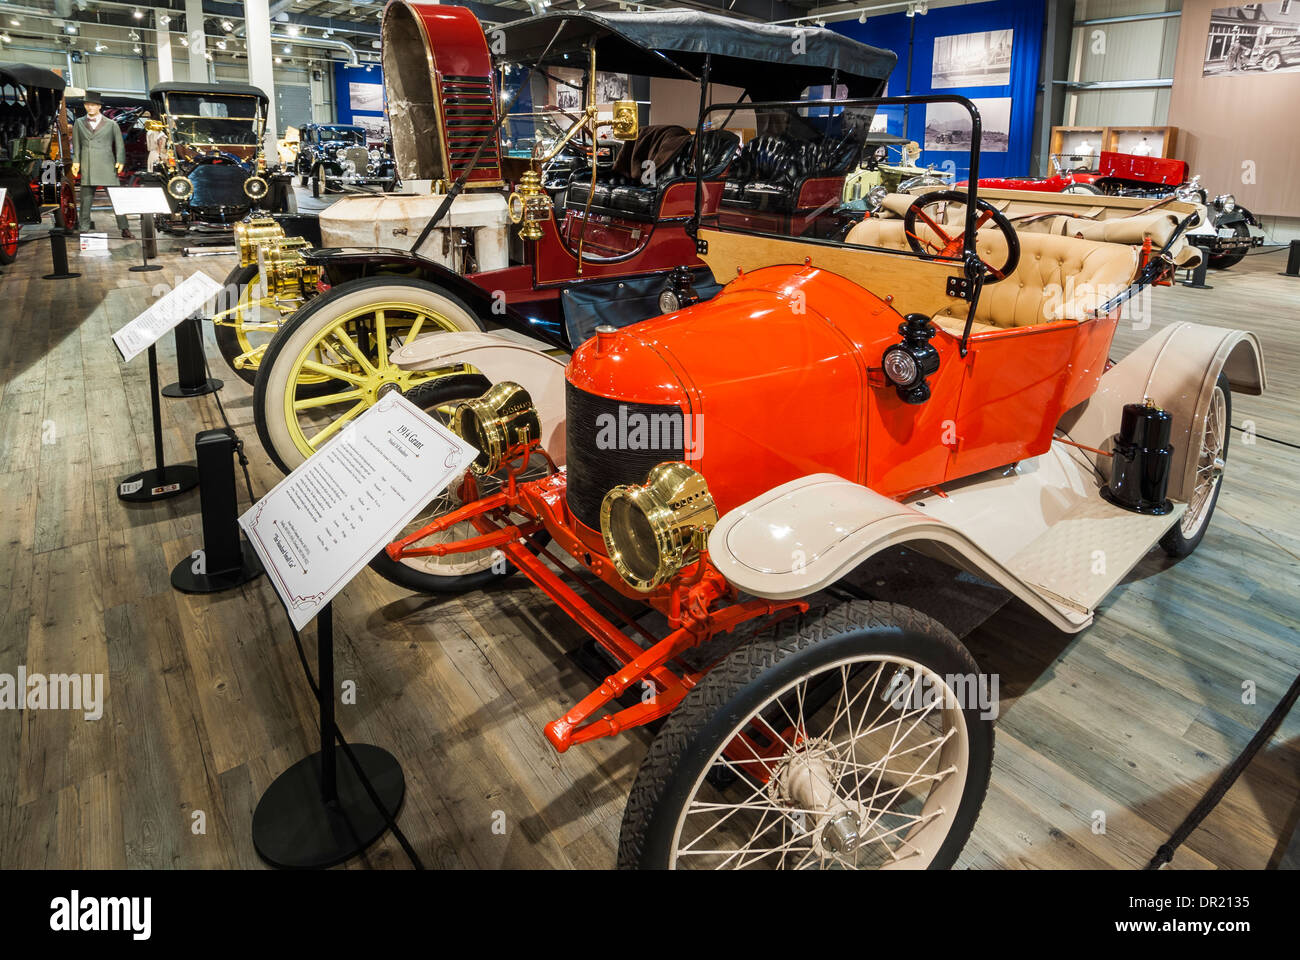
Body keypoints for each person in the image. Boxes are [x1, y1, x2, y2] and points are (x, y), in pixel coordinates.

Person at [72, 92, 132, 238]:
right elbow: (76, 145)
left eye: (93, 104)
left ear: (99, 106)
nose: (90, 107)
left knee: (116, 198)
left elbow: (119, 144)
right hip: (88, 165)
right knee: (85, 200)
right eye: (87, 104)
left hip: (107, 165)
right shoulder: (79, 123)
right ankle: (84, 228)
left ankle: (124, 228)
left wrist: (120, 160)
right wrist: (76, 161)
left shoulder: (111, 124)